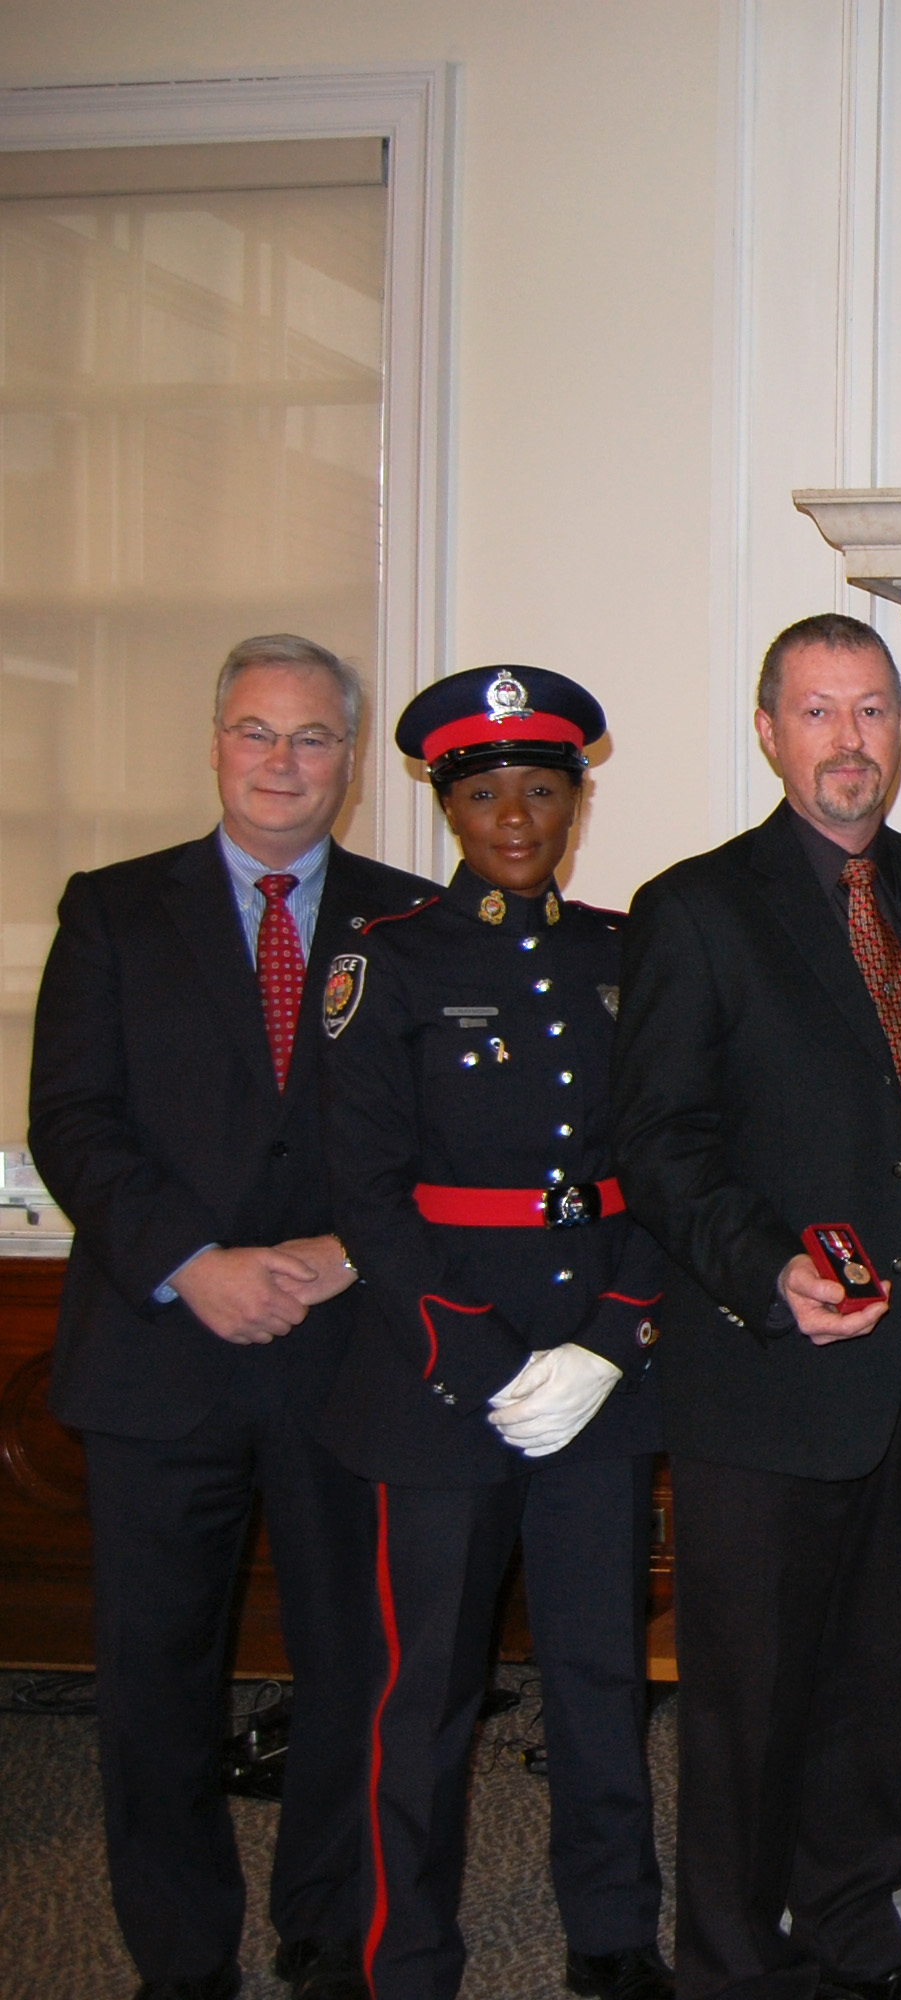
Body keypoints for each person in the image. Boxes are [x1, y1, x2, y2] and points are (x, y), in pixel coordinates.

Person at [611, 613, 901, 2000]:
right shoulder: (697, 909)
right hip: (765, 1366)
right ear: (771, 732)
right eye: (819, 712)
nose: (851, 740)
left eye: (874, 711)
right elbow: (657, 1142)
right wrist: (767, 1266)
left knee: (883, 1676)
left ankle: (852, 1930)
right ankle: (728, 1964)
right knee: (750, 1696)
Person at [30, 635, 434, 2000]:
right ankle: (179, 1960)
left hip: (346, 1361)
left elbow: (444, 1142)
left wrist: (338, 1252)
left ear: (350, 757)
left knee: (350, 1674)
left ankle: (326, 1937)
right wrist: (193, 1261)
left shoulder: (408, 922)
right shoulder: (112, 911)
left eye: (312, 737)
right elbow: (72, 1125)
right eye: (258, 733)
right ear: (216, 743)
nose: (282, 762)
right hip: (161, 1358)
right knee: (156, 1689)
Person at [313, 666, 671, 2000]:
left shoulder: (626, 949)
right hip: (438, 1368)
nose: (514, 814)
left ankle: (614, 1932)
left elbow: (663, 1160)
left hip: (593, 1364)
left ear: (577, 797)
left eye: (540, 787)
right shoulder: (386, 957)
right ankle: (403, 1953)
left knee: (597, 1669)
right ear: (446, 802)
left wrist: (613, 1335)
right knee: (429, 1690)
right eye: (483, 791)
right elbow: (365, 1188)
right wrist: (477, 1348)